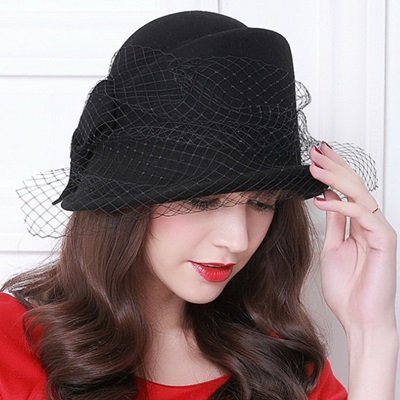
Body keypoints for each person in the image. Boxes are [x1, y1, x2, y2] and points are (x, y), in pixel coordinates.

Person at [0, 10, 397, 400]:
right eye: (203, 200)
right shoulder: (12, 342)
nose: (238, 239)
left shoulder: (281, 366)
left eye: (262, 203)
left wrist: (370, 329)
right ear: (128, 202)